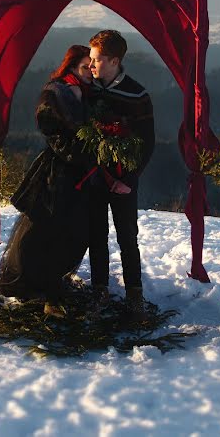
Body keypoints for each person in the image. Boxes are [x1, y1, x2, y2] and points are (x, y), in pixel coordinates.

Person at [0, 45, 98, 316]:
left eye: (91, 67)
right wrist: (82, 151)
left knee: (74, 232)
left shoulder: (88, 93)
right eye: (85, 67)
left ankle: (53, 283)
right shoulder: (55, 93)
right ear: (72, 66)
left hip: (81, 174)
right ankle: (42, 288)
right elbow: (52, 132)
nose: (90, 73)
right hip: (56, 174)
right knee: (47, 230)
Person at [86, 30, 155, 315]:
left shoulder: (137, 94)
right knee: (96, 235)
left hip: (124, 180)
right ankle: (99, 290)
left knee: (127, 236)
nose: (91, 66)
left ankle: (134, 293)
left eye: (96, 60)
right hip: (93, 177)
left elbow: (147, 141)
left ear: (114, 61)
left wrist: (129, 178)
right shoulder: (88, 90)